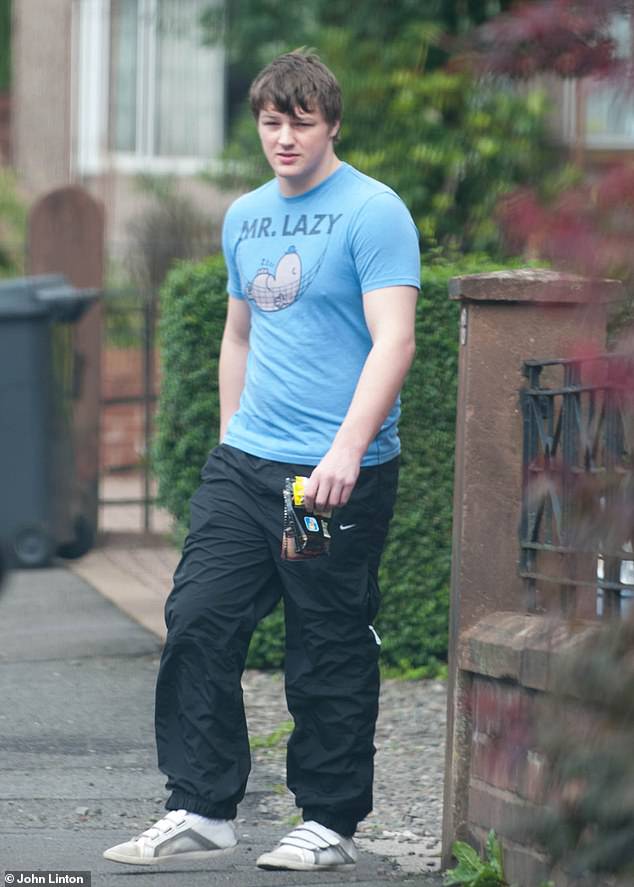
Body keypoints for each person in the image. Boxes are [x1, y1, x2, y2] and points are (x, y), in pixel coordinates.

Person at [104, 49, 420, 872]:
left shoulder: (373, 211)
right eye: (272, 122)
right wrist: (228, 435)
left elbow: (396, 338)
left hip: (323, 481)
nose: (284, 137)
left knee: (326, 641)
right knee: (199, 619)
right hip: (247, 467)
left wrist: (346, 448)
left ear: (332, 124)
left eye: (301, 123)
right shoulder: (245, 215)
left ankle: (329, 817)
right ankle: (202, 805)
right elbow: (239, 333)